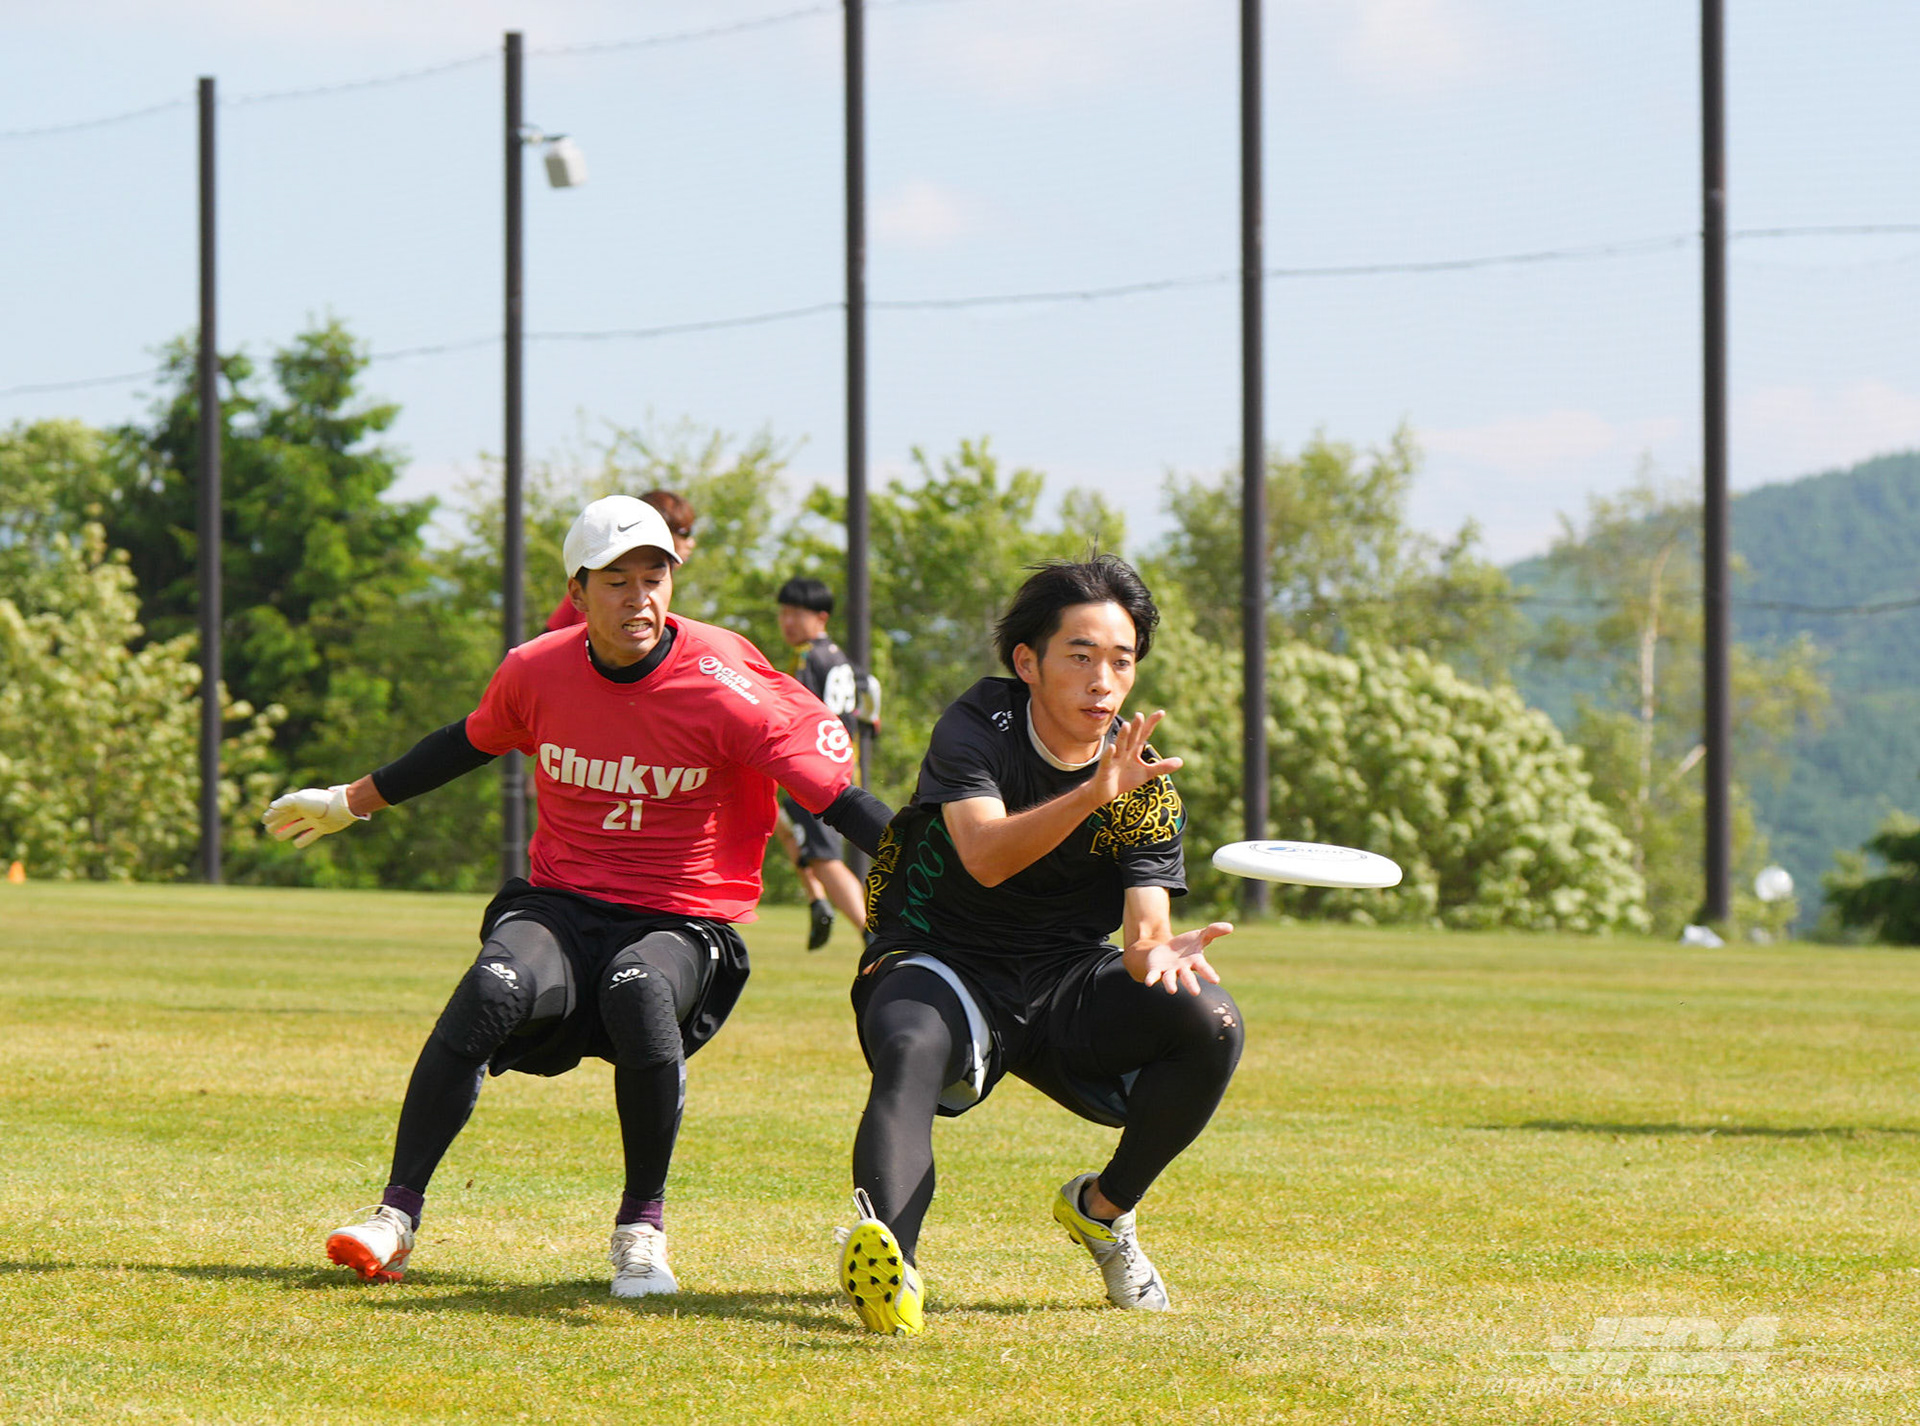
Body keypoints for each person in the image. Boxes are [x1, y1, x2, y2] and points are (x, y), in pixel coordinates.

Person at [263, 495, 891, 1298]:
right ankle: (395, 1216)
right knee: (492, 985)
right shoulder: (536, 670)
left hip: (682, 916)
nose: (639, 598)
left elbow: (837, 800)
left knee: (638, 989)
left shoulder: (723, 680)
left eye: (654, 578)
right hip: (562, 903)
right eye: (617, 581)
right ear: (578, 591)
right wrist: (350, 800)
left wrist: (948, 866)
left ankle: (641, 1233)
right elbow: (465, 742)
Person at [835, 555, 1242, 1336]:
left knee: (1210, 1019)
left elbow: (1143, 935)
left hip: (1063, 977)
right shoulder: (976, 726)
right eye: (1080, 657)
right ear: (1028, 662)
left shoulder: (1145, 790)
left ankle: (1103, 1209)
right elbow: (985, 856)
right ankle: (894, 1273)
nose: (1103, 682)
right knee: (911, 1045)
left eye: (1121, 662)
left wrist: (1156, 954)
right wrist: (1091, 795)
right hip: (939, 956)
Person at [772, 576, 875, 950]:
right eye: (783, 613)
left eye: (796, 614)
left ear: (821, 617)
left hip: (814, 773)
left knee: (824, 858)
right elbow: (871, 696)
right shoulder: (841, 659)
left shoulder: (806, 656)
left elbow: (792, 710)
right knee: (781, 823)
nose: (787, 622)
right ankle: (818, 902)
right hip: (842, 769)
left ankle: (873, 935)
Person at [544, 489, 696, 633]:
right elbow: (548, 639)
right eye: (684, 533)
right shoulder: (592, 586)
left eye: (653, 581)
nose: (640, 600)